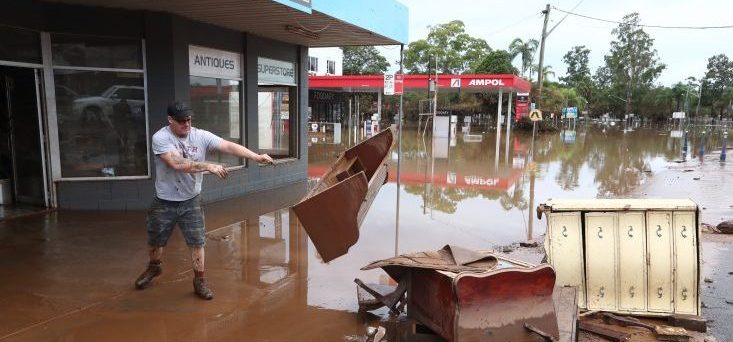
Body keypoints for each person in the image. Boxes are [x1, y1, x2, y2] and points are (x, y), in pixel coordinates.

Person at [134, 100, 273, 300]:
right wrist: (208, 166)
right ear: (170, 120)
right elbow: (176, 162)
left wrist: (255, 156)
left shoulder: (200, 136)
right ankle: (154, 267)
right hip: (164, 201)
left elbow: (228, 145)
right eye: (181, 121)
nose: (186, 124)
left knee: (197, 242)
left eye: (189, 120)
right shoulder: (161, 137)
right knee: (155, 240)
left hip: (191, 200)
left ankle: (199, 280)